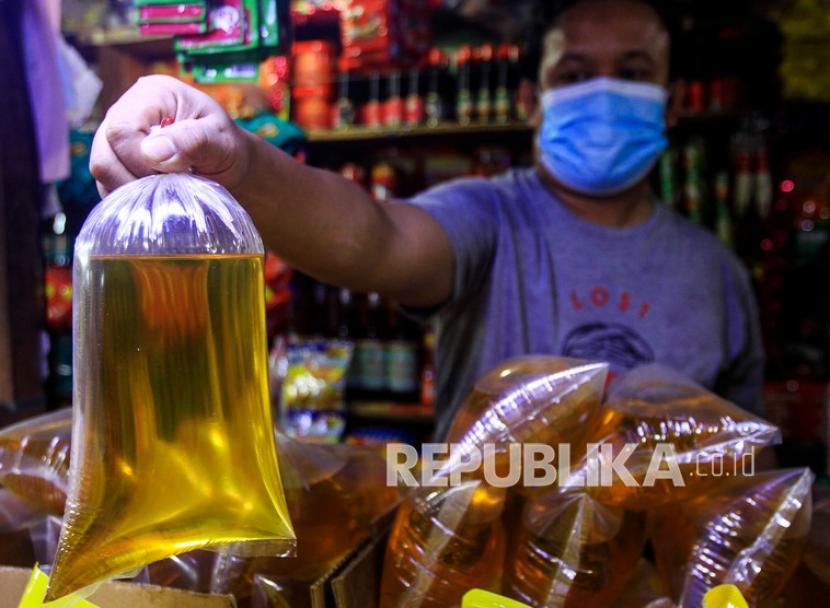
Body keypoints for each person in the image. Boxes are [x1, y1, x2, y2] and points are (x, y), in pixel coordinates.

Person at [90, 0, 763, 440]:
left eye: (633, 71)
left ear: (670, 102)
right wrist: (236, 161)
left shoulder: (719, 275)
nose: (604, 90)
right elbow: (372, 239)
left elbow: (745, 474)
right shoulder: (490, 217)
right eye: (576, 74)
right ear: (532, 99)